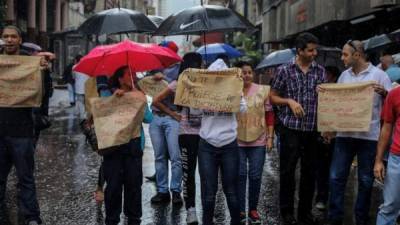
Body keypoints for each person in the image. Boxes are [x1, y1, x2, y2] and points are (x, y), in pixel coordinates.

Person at [327, 40, 392, 225]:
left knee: (365, 180)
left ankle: (361, 219)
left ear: (357, 55)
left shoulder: (380, 76)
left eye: (345, 54)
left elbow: (392, 107)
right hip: (344, 136)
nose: (342, 58)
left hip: (369, 138)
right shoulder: (343, 77)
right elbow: (337, 104)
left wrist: (385, 94)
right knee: (336, 177)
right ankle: (335, 218)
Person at [270, 32, 326, 225]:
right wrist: (288, 101)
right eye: (310, 50)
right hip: (290, 129)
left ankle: (305, 213)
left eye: (315, 50)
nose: (314, 53)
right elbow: (272, 96)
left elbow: (325, 101)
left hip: (312, 130)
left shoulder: (320, 71)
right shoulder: (284, 70)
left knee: (310, 173)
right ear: (299, 50)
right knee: (287, 172)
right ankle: (286, 212)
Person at [0, 25, 47, 225]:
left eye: (13, 36)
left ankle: (31, 217)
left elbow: (44, 94)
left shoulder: (32, 62)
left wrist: (44, 72)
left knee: (25, 177)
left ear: (20, 40)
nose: (9, 40)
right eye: (5, 37)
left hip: (22, 130)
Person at [152, 52, 203, 224]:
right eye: (195, 65)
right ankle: (190, 210)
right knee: (188, 173)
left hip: (206, 135)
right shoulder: (177, 84)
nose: (198, 68)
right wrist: (173, 114)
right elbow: (156, 101)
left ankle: (207, 211)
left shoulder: (207, 85)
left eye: (200, 65)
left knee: (207, 175)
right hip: (187, 133)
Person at [197, 58, 247, 225]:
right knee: (209, 191)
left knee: (231, 190)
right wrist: (201, 94)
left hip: (229, 144)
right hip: (207, 144)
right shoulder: (202, 89)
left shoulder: (234, 88)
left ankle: (235, 222)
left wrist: (233, 95)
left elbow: (243, 109)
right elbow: (193, 109)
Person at [100, 66, 152, 225]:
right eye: (129, 75)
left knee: (134, 185)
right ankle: (112, 219)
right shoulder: (107, 93)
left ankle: (134, 218)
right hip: (113, 148)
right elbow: (99, 115)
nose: (133, 77)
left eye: (134, 75)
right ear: (120, 79)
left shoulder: (139, 95)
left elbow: (148, 119)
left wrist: (140, 99)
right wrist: (114, 99)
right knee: (113, 186)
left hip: (134, 147)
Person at [234, 61, 274, 224]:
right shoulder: (232, 91)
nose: (247, 75)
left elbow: (270, 115)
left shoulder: (263, 91)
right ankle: (241, 210)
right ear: (238, 74)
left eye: (249, 72)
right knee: (240, 175)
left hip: (258, 140)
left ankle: (253, 209)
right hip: (237, 140)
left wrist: (270, 137)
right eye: (243, 72)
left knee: (256, 176)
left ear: (253, 74)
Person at [149, 41, 183, 205]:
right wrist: (154, 74)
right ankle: (162, 191)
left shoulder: (181, 69)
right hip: (156, 116)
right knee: (159, 156)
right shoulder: (156, 66)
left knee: (175, 156)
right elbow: (145, 84)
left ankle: (176, 190)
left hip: (173, 117)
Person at [314, 66, 340, 211]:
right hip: (321, 135)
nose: (325, 76)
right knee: (322, 169)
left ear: (334, 76)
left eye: (328, 74)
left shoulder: (341, 90)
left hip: (337, 136)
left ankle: (334, 201)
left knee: (335, 171)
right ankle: (322, 198)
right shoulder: (319, 89)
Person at [374, 85, 400, 225]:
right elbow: (387, 127)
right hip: (397, 159)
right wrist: (379, 160)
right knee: (390, 207)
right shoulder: (395, 94)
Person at [72, 55, 89, 120]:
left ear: (76, 60)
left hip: (79, 88)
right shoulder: (88, 66)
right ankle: (87, 116)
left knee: (81, 103)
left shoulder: (74, 67)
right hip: (87, 87)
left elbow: (73, 77)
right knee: (86, 103)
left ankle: (83, 117)